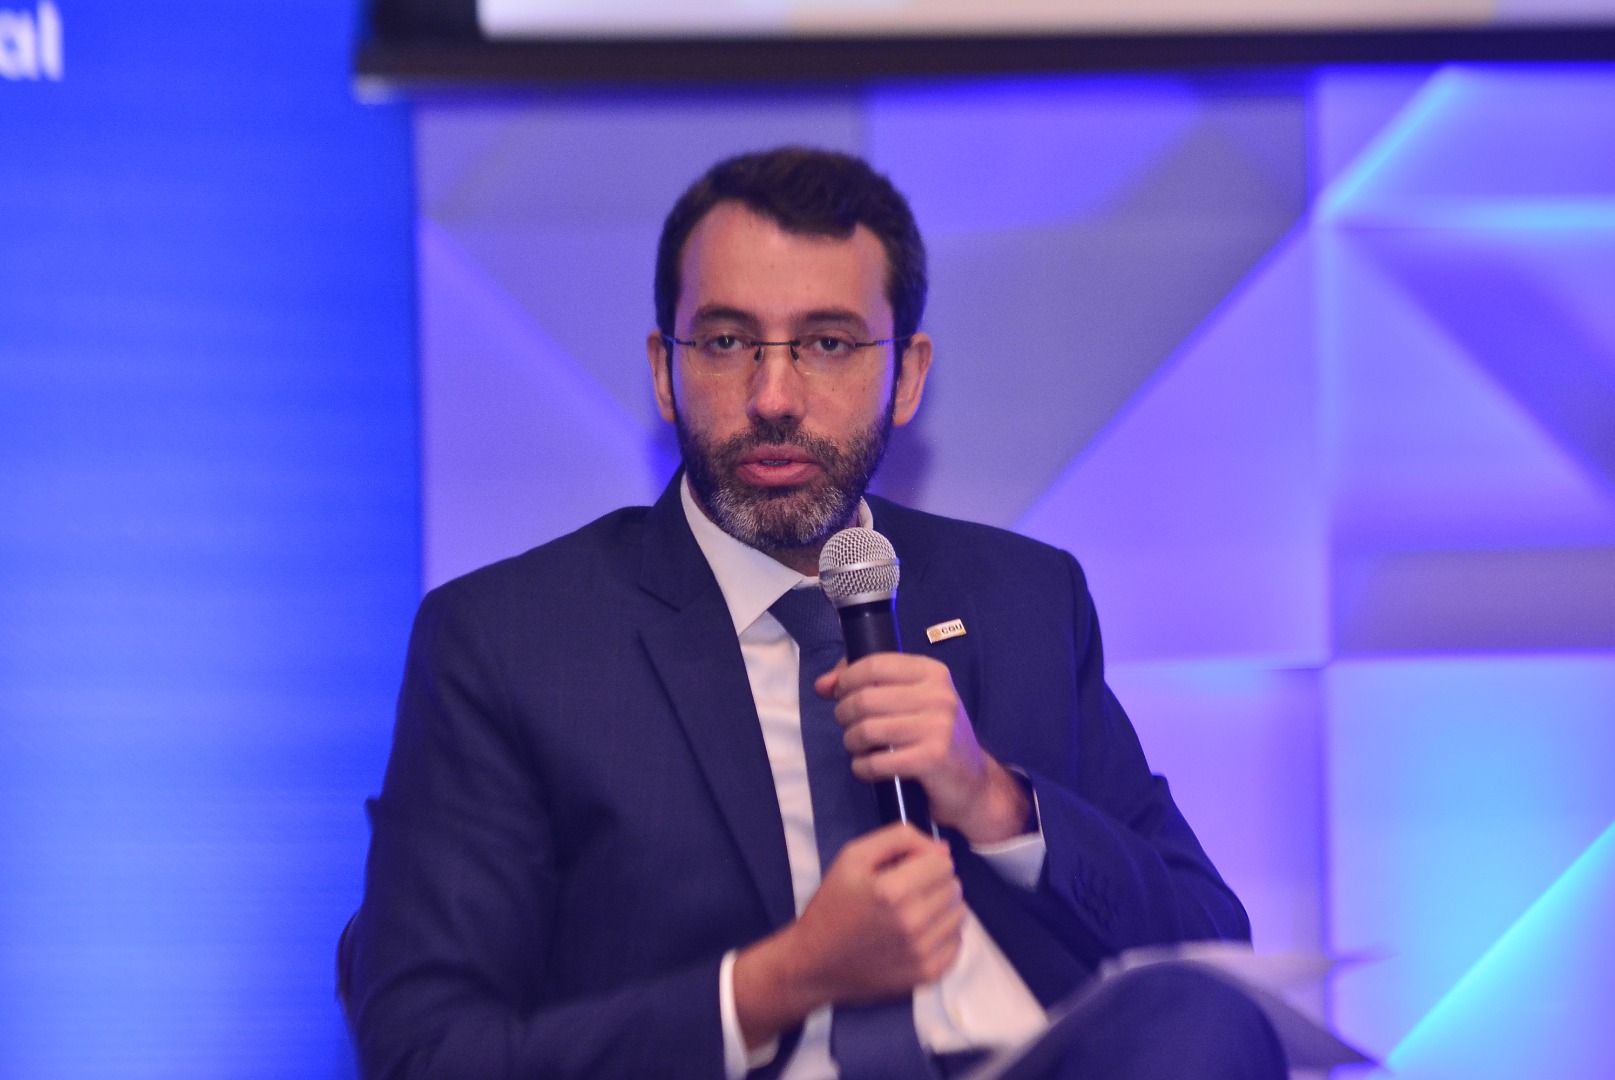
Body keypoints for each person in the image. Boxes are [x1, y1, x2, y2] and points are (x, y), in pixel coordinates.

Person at [349, 147, 1285, 1080]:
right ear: (664, 371)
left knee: (1199, 1028)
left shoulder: (1024, 599)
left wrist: (997, 802)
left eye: (828, 343)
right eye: (726, 342)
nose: (773, 398)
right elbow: (426, 1052)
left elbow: (1208, 959)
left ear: (906, 376)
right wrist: (785, 979)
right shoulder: (511, 643)